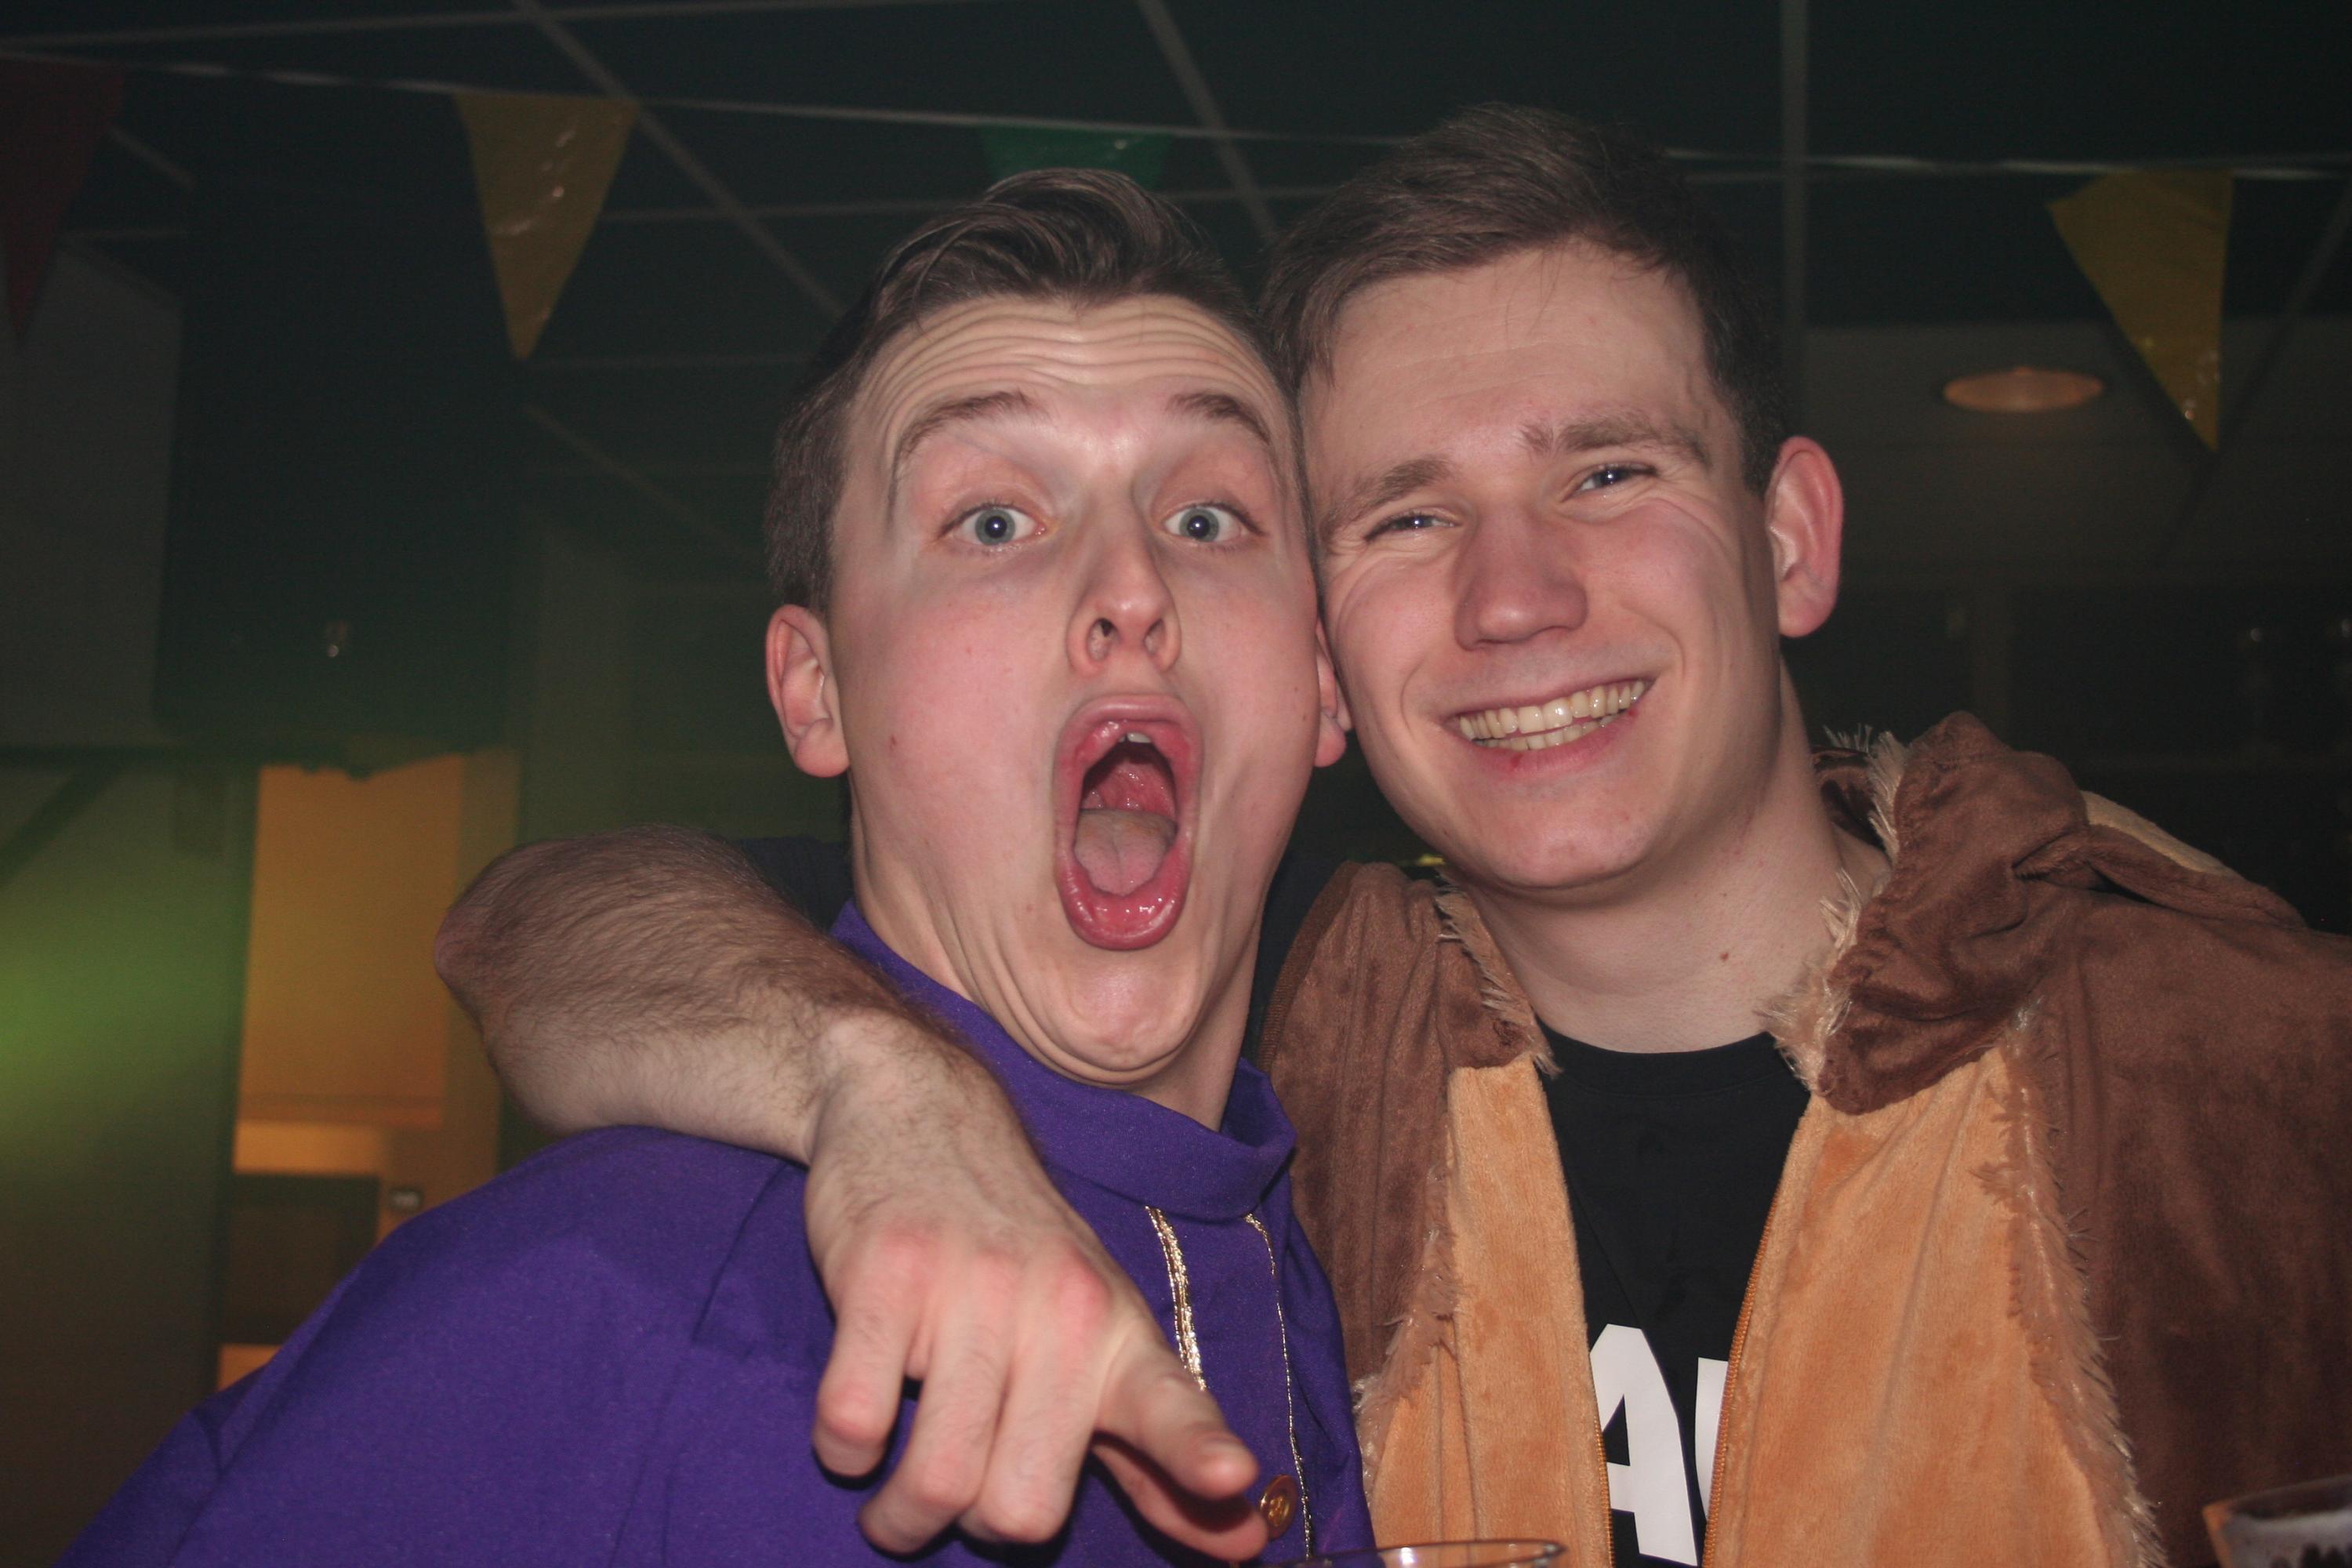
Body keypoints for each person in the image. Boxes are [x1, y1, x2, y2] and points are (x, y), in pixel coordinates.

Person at [438, 110, 2352, 1568]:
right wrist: (879, 1084)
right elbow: (547, 915)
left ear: (1788, 539)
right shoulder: (1290, 1050)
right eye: (1409, 516)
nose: (1517, 597)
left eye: (1608, 469)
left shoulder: (2248, 1076)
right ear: (1326, 663)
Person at [64, 169, 1373, 1567]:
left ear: (1320, 678)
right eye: (993, 521)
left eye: (1208, 518)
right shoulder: (595, 1304)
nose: (1133, 588)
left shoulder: (1357, 1250)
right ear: (816, 691)